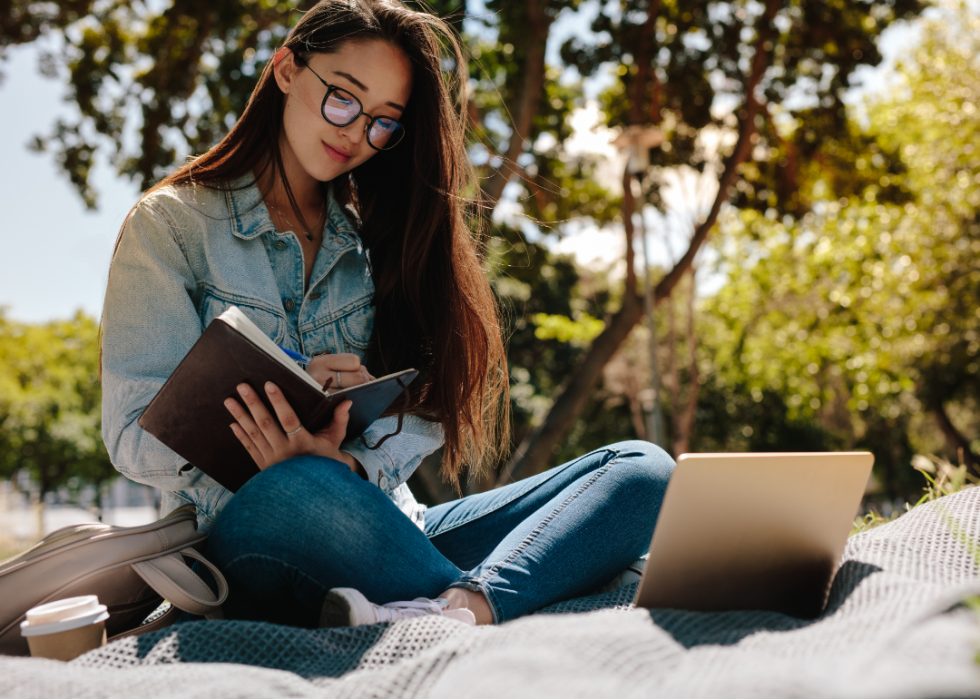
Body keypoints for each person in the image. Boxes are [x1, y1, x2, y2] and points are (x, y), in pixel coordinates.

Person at [101, 0, 675, 628]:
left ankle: (466, 608)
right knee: (298, 489)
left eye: (383, 123)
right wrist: (265, 451)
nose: (355, 133)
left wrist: (348, 460)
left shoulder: (380, 239)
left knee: (644, 470)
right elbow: (130, 431)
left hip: (396, 524)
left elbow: (421, 410)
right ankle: (511, 596)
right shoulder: (171, 226)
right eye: (343, 98)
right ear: (288, 69)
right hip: (257, 524)